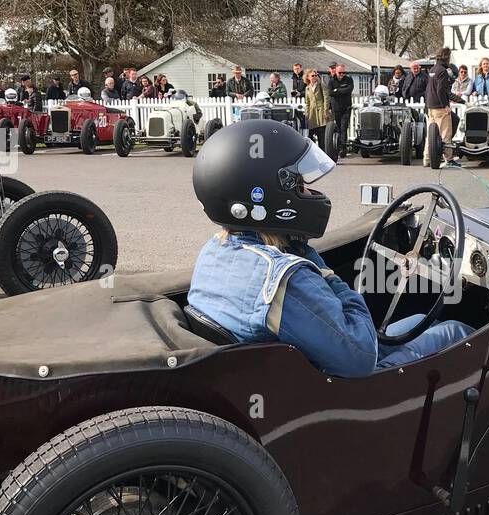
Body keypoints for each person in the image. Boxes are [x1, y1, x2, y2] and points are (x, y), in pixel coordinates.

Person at [186, 122, 473, 375]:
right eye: (299, 185)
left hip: (277, 373)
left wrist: (296, 247)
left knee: (420, 320)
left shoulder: (215, 252)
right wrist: (327, 275)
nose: (310, 193)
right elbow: (359, 357)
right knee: (456, 332)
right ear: (268, 199)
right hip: (345, 390)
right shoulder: (285, 281)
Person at [425, 47, 458, 168]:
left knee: (431, 135)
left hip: (431, 105)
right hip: (440, 106)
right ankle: (449, 159)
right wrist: (445, 105)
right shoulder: (443, 71)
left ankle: (427, 159)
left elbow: (429, 89)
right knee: (445, 134)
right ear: (446, 57)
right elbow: (440, 90)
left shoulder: (433, 69)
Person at [327, 62, 354, 154]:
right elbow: (330, 92)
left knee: (344, 127)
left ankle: (343, 148)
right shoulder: (331, 80)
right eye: (340, 73)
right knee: (338, 127)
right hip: (336, 107)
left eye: (343, 72)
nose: (342, 74)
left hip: (346, 107)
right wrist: (340, 91)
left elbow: (349, 89)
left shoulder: (348, 79)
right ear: (335, 72)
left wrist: (337, 90)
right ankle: (338, 146)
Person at [304, 68, 328, 144]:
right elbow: (307, 103)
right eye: (312, 76)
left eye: (316, 75)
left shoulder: (321, 84)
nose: (314, 77)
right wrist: (307, 115)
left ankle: (323, 152)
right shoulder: (307, 88)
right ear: (308, 77)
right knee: (311, 135)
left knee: (322, 136)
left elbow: (326, 98)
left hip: (321, 112)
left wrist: (325, 111)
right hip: (312, 114)